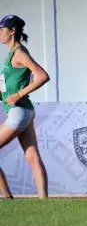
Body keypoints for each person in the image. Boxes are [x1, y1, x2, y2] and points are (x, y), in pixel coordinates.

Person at [0, 15, 50, 199]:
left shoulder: (19, 52)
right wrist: (7, 94)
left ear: (12, 31)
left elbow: (43, 76)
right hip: (25, 111)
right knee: (32, 156)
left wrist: (19, 94)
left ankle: (6, 198)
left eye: (1, 30)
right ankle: (44, 201)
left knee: (33, 157)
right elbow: (11, 87)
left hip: (19, 112)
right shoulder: (13, 53)